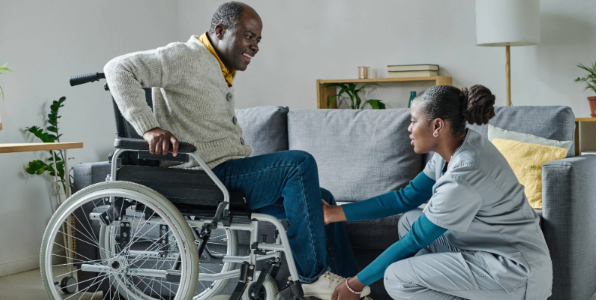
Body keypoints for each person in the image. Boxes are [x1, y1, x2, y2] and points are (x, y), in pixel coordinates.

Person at [103, 1, 364, 298]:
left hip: (227, 172)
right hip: (205, 174)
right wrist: (149, 127)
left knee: (323, 200)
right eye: (249, 36)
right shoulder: (184, 55)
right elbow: (117, 67)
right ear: (220, 30)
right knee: (298, 164)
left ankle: (347, 288)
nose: (254, 46)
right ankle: (311, 276)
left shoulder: (217, 68)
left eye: (258, 40)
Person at [323, 85, 553, 300]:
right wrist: (333, 213)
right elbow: (408, 197)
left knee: (397, 277)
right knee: (409, 221)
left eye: (413, 121)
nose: (409, 128)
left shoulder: (463, 174)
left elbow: (415, 241)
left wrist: (355, 284)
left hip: (515, 272)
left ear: (437, 126)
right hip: (488, 250)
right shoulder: (456, 148)